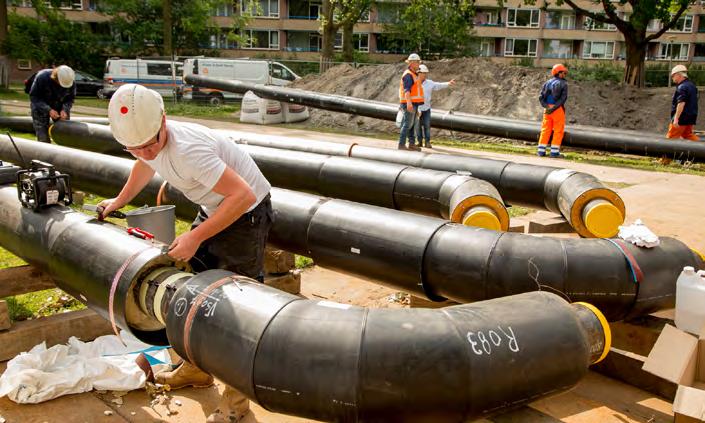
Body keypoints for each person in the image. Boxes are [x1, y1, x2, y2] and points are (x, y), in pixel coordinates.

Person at [99, 83, 273, 423]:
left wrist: (195, 237)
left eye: (151, 145)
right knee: (191, 289)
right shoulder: (147, 142)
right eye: (136, 148)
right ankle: (195, 370)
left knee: (238, 308)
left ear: (164, 121)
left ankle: (237, 407)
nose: (146, 153)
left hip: (246, 214)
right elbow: (144, 165)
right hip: (215, 207)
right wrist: (119, 201)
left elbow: (241, 196)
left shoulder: (189, 150)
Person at [29, 65, 76, 143]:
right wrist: (48, 110)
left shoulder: (70, 82)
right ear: (55, 77)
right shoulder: (42, 77)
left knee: (65, 135)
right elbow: (34, 97)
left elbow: (70, 99)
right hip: (40, 107)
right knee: (43, 137)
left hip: (60, 107)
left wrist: (65, 109)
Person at [416, 64, 455, 148]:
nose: (425, 75)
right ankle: (419, 142)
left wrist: (448, 83)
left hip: (426, 109)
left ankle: (427, 142)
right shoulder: (414, 82)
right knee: (417, 126)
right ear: (419, 73)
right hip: (417, 109)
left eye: (426, 73)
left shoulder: (429, 83)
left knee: (427, 125)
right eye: (424, 73)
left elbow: (438, 85)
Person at [537, 64, 568, 158]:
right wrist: (554, 108)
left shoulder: (547, 83)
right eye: (563, 72)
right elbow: (563, 99)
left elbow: (541, 97)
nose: (565, 74)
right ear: (558, 73)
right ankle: (554, 153)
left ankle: (541, 151)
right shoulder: (564, 84)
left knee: (545, 129)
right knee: (558, 130)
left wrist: (546, 106)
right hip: (557, 109)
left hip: (547, 110)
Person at [398, 53, 425, 151]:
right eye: (418, 62)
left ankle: (411, 144)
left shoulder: (414, 74)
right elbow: (407, 90)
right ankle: (401, 144)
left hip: (414, 103)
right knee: (407, 124)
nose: (419, 64)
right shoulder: (408, 75)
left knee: (412, 124)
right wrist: (409, 103)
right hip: (409, 103)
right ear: (412, 63)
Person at [667, 64, 699, 141]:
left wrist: (676, 119)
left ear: (679, 75)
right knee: (688, 135)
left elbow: (681, 103)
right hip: (691, 116)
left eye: (673, 75)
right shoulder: (692, 85)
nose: (672, 78)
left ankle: (668, 153)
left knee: (671, 138)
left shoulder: (682, 87)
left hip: (682, 117)